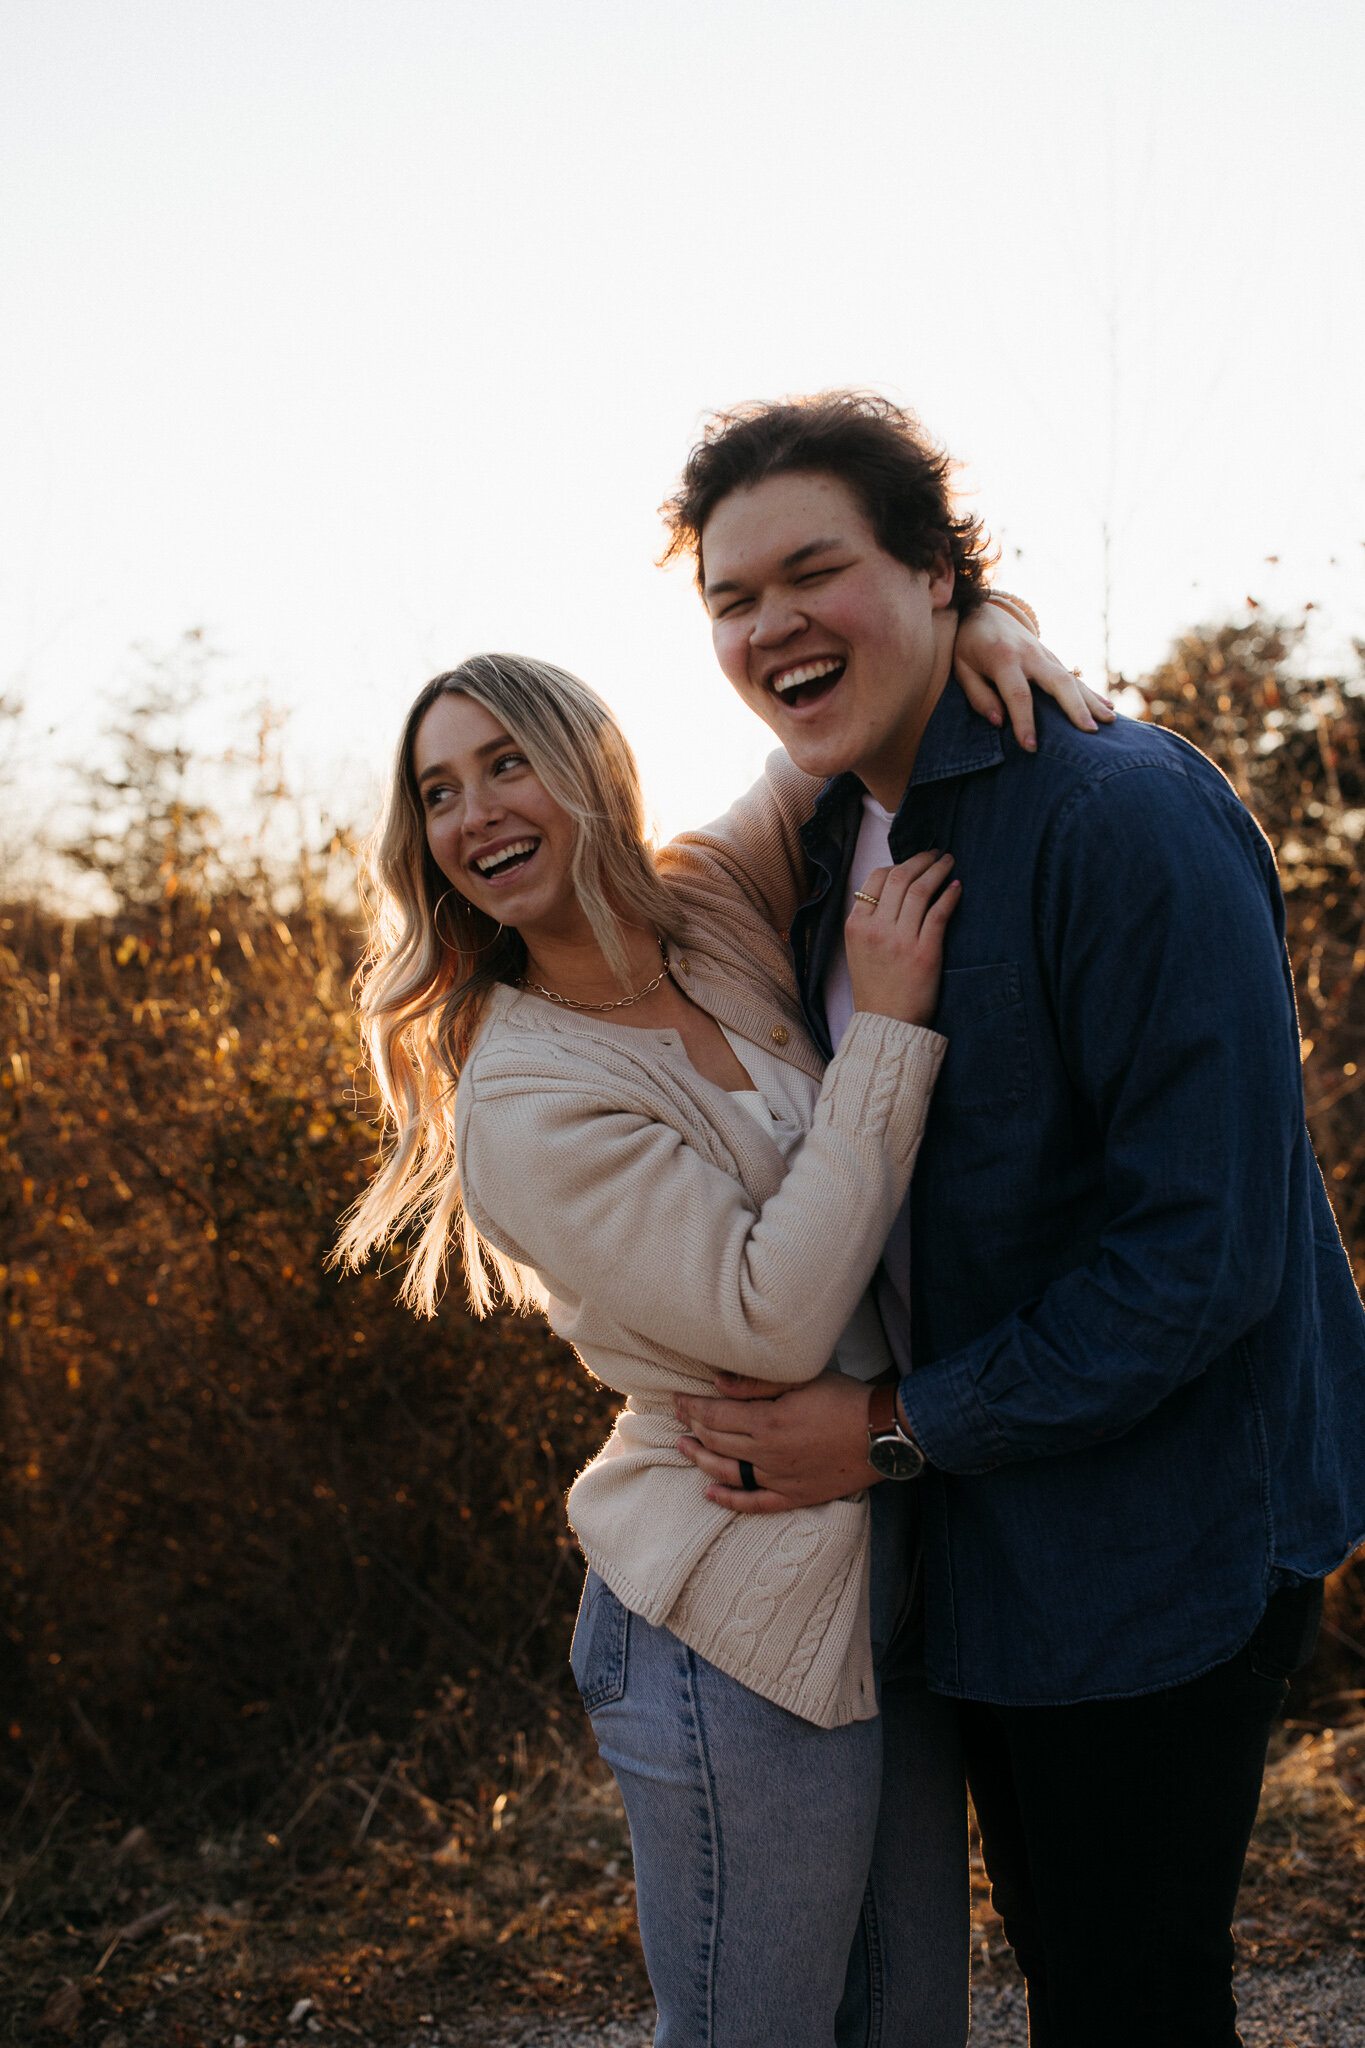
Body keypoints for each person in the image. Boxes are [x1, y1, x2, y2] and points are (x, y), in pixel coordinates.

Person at [664, 391, 1365, 2048]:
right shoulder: (826, 834)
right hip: (987, 1533)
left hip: (1162, 1530)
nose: (769, 627)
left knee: (1128, 1994)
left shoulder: (1121, 816)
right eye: (728, 600)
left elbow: (1196, 1262)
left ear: (929, 570)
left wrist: (888, 1432)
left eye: (810, 571)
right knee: (1068, 1973)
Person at [335, 625, 1106, 2048]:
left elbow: (823, 738)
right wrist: (886, 1030)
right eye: (437, 792)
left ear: (593, 768)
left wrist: (968, 625)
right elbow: (772, 1316)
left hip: (882, 1567)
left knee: (907, 2023)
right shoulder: (525, 1096)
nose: (473, 813)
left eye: (506, 764)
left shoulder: (706, 905)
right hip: (721, 1619)